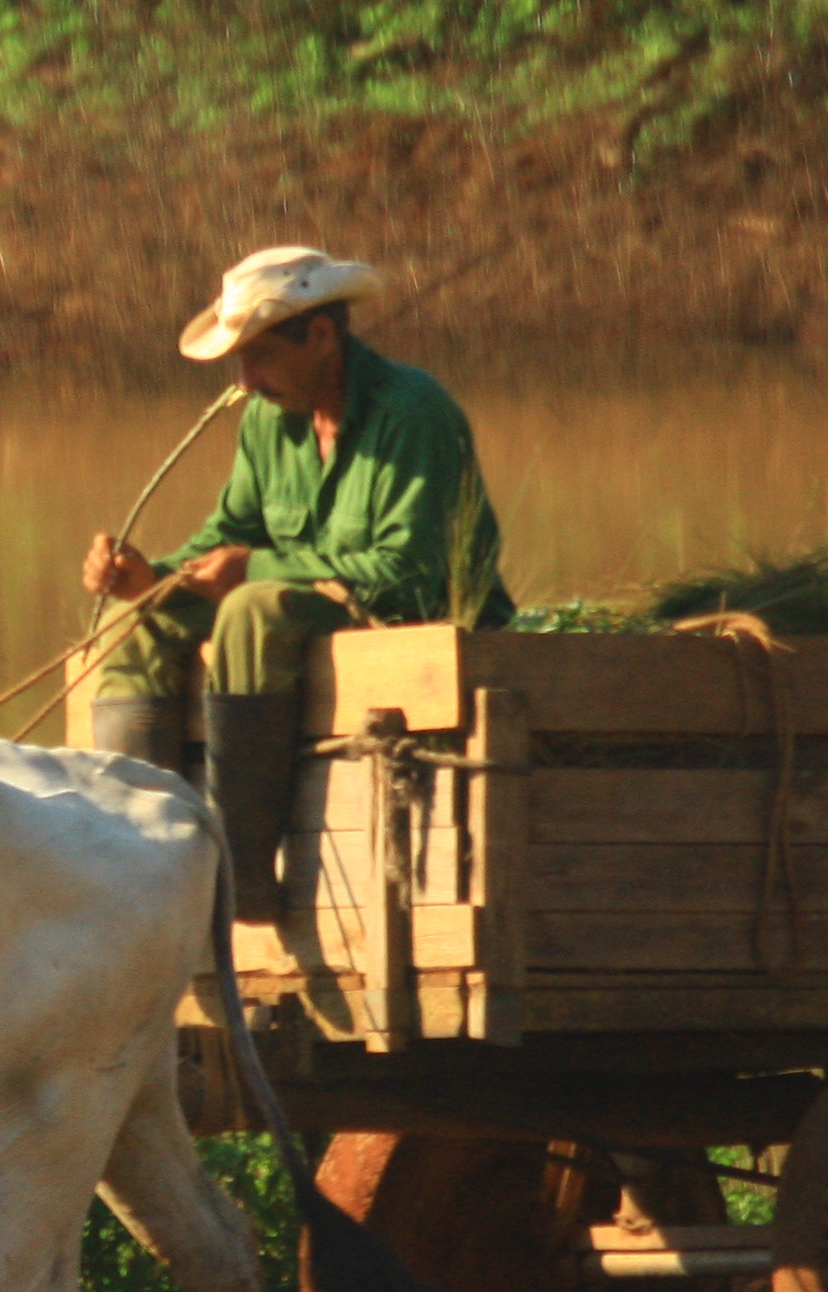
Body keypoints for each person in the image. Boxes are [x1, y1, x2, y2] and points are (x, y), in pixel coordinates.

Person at [81, 245, 513, 921]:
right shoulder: (266, 420)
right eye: (241, 363)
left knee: (253, 609)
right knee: (133, 618)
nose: (248, 382)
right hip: (293, 608)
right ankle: (141, 869)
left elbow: (410, 576)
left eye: (261, 358)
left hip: (402, 622)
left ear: (320, 337)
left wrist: (253, 571)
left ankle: (244, 876)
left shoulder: (412, 412)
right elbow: (225, 536)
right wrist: (151, 576)